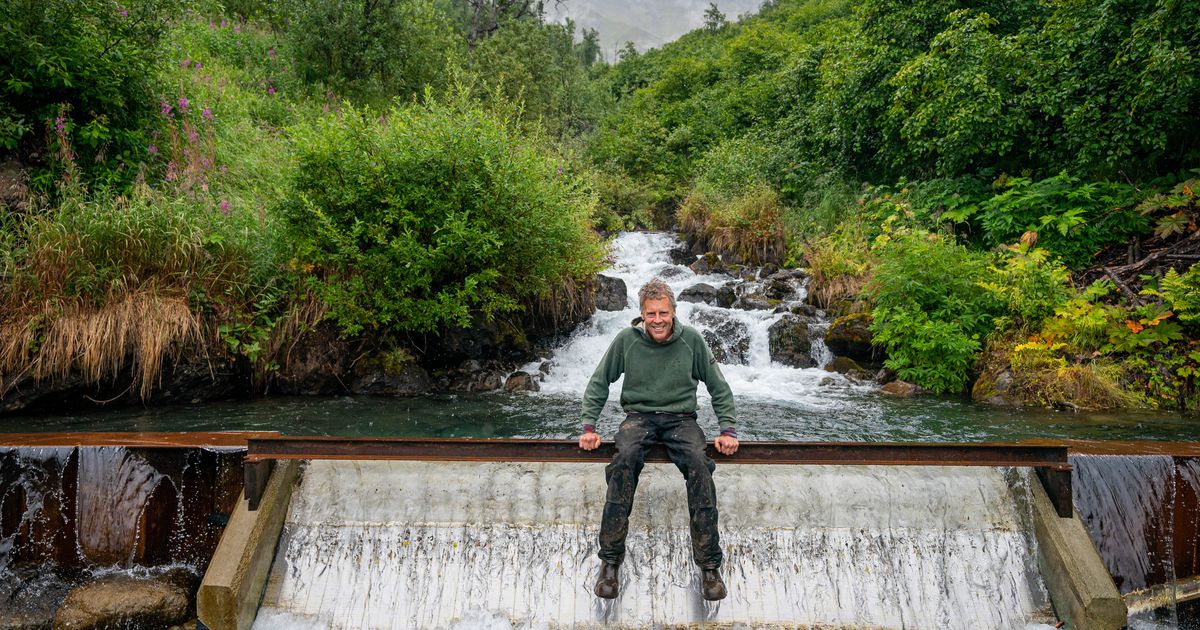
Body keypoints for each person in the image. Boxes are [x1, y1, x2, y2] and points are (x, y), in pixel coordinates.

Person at [578, 277, 739, 601]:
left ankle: (709, 567)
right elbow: (599, 382)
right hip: (638, 418)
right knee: (622, 463)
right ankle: (609, 563)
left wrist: (728, 430)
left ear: (673, 312)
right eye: (651, 314)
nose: (658, 320)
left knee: (699, 466)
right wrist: (588, 427)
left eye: (663, 313)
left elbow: (718, 387)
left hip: (681, 420)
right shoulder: (627, 340)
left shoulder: (692, 339)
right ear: (642, 314)